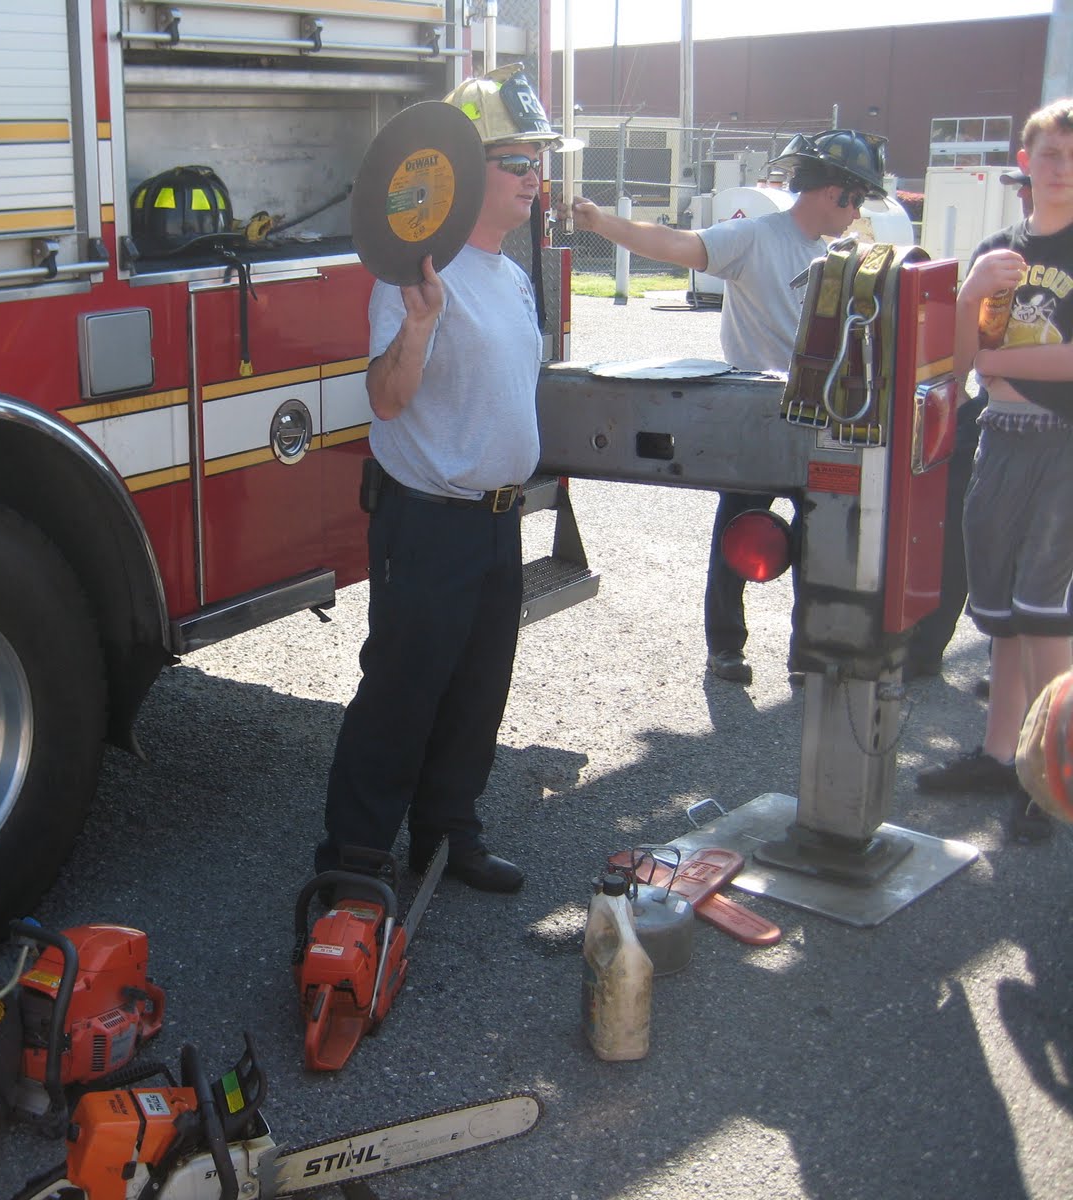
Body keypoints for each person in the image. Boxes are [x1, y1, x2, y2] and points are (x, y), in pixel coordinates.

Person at [316, 65, 580, 893]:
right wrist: (422, 324)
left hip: (497, 520)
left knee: (475, 693)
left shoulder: (505, 272)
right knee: (402, 692)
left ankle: (447, 836)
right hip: (428, 522)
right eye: (518, 162)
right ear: (467, 174)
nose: (536, 178)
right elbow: (388, 402)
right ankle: (355, 859)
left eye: (540, 162)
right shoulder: (418, 275)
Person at [571, 129, 890, 686]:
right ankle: (725, 647)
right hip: (757, 413)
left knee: (820, 537)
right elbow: (677, 245)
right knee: (739, 527)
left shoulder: (842, 255)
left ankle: (807, 651)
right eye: (856, 198)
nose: (858, 210)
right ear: (834, 192)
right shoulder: (755, 238)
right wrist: (602, 222)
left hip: (821, 416)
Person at [915, 98, 1073, 844]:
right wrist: (973, 290)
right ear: (1025, 161)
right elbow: (956, 358)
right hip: (999, 435)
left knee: (1047, 613)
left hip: (1061, 444)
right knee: (1003, 611)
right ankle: (999, 754)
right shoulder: (1000, 246)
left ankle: (1052, 776)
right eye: (1051, 154)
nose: (1063, 167)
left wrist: (1002, 359)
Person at [905, 167, 1034, 684]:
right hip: (993, 415)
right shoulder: (998, 248)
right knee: (960, 532)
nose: (1026, 194)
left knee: (1044, 550)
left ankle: (1026, 669)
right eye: (1024, 185)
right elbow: (965, 356)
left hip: (1059, 425)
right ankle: (926, 647)